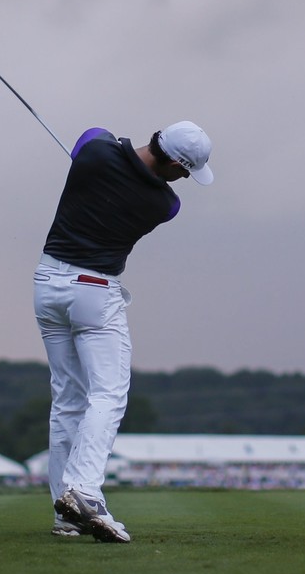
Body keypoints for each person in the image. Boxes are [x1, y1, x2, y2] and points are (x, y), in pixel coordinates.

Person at [35, 121, 213, 542]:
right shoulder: (164, 204)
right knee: (108, 393)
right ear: (172, 162)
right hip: (94, 292)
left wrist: (107, 162)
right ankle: (84, 492)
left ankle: (65, 512)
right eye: (184, 172)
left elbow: (93, 135)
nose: (182, 182)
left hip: (46, 284)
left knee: (68, 399)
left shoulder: (96, 151)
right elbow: (141, 177)